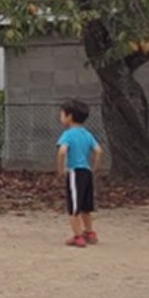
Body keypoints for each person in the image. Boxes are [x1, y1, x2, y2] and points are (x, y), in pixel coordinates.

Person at [57, 99, 102, 248]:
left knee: (73, 207)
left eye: (62, 114)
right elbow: (98, 151)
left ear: (69, 116)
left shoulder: (68, 135)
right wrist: (95, 167)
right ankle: (89, 232)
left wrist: (60, 168)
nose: (60, 116)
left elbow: (62, 151)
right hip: (87, 172)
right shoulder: (87, 134)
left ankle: (77, 236)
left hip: (74, 172)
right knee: (85, 206)